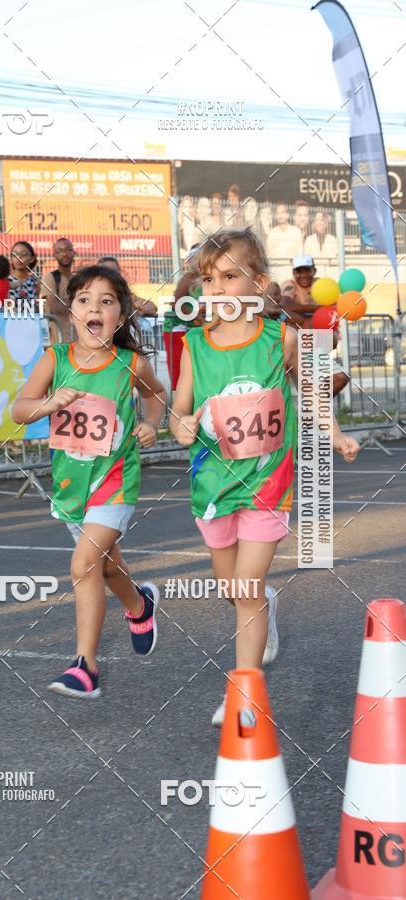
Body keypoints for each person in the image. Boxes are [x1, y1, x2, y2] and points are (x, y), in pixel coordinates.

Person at [170, 229, 359, 726]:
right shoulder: (195, 345)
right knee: (233, 589)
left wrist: (336, 435)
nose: (216, 290)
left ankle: (244, 693)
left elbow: (314, 391)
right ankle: (266, 609)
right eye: (208, 280)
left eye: (230, 277)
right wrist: (182, 426)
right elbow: (179, 410)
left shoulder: (283, 338)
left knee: (247, 586)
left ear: (259, 283)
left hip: (268, 486)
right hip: (213, 488)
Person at [12, 264, 166, 698]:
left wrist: (152, 424)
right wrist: (47, 403)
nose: (94, 307)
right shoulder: (54, 359)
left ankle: (85, 667)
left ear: (121, 315)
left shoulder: (129, 363)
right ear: (70, 311)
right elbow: (19, 410)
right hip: (70, 484)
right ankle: (139, 605)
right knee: (105, 564)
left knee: (83, 565)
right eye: (84, 300)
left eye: (106, 301)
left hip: (115, 480)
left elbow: (155, 395)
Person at [281, 254, 350, 396]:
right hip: (291, 350)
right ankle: (312, 408)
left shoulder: (323, 285)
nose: (303, 275)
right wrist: (320, 308)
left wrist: (303, 312)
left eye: (307, 270)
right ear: (294, 273)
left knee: (340, 378)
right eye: (299, 271)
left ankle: (315, 406)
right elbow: (285, 307)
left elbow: (333, 337)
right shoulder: (289, 285)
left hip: (314, 347)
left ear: (314, 270)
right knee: (282, 391)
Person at [163, 244, 203, 389]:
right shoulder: (189, 278)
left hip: (196, 330)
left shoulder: (208, 279)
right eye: (197, 259)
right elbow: (177, 303)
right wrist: (196, 317)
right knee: (180, 374)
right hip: (178, 330)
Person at [40, 237, 76, 342]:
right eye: (59, 251)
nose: (64, 254)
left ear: (74, 252)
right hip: (58, 340)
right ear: (54, 255)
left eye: (68, 250)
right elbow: (55, 307)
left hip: (78, 340)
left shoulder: (79, 279)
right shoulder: (50, 278)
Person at [9, 241, 39, 310]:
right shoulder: (4, 281)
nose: (19, 258)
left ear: (32, 259)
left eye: (24, 254)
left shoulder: (36, 282)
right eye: (15, 255)